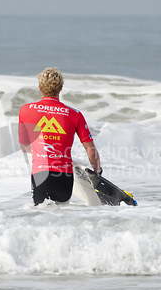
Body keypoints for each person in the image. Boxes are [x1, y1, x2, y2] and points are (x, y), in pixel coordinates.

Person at [18, 67, 101, 206]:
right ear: (61, 88)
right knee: (62, 217)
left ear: (39, 87)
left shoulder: (26, 110)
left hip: (40, 175)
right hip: (65, 176)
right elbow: (91, 151)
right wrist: (97, 171)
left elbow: (24, 147)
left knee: (42, 218)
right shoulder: (75, 114)